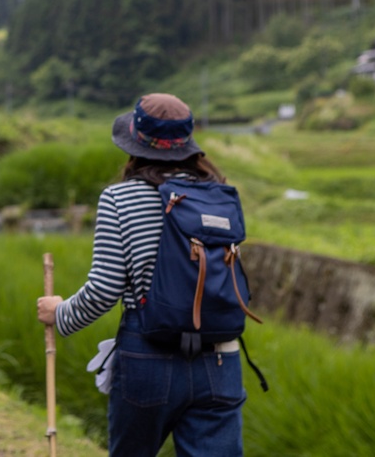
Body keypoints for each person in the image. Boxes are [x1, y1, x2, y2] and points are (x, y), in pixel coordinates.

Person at [37, 93, 247, 457]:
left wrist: (60, 313)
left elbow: (104, 289)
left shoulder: (120, 199)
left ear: (134, 144)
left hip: (149, 358)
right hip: (220, 358)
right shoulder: (221, 197)